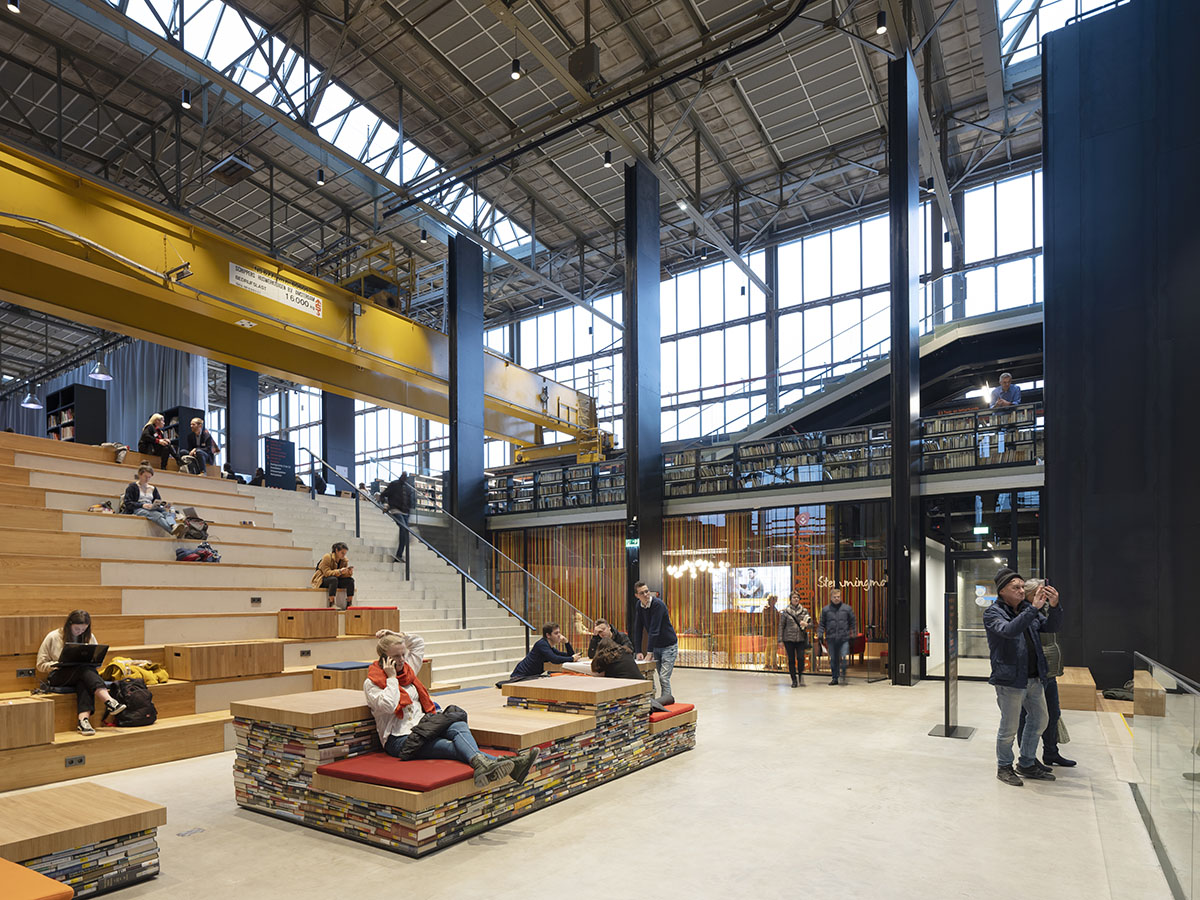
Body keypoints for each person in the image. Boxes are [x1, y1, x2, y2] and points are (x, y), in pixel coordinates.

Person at [366, 630, 538, 786]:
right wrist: (391, 678)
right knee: (450, 746)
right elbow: (389, 706)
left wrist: (397, 635)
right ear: (384, 659)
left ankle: (484, 764)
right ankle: (513, 765)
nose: (402, 659)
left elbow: (417, 642)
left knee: (457, 722)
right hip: (400, 740)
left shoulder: (408, 671)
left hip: (424, 726)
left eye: (403, 654)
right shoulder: (373, 683)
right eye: (396, 656)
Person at [985, 567, 1063, 787]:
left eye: (1022, 586)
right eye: (1015, 587)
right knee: (1009, 728)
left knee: (1040, 719)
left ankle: (1027, 763)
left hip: (1034, 677)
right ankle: (1004, 766)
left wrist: (1054, 606)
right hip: (1009, 680)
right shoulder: (993, 613)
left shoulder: (1028, 609)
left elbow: (1050, 627)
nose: (1021, 590)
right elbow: (1009, 630)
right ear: (1002, 592)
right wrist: (1033, 609)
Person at [36, 610, 126, 735]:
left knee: (84, 679)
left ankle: (83, 721)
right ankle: (109, 701)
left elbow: (95, 660)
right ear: (69, 625)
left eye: (83, 629)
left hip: (82, 674)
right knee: (84, 670)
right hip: (58, 675)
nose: (80, 632)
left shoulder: (89, 636)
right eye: (77, 629)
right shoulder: (53, 636)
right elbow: (40, 665)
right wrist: (57, 664)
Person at [1017, 578, 1075, 768]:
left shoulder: (1038, 612)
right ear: (1030, 594)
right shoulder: (1024, 611)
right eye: (1041, 592)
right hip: (1033, 674)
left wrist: (1055, 606)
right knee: (1029, 717)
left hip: (1047, 672)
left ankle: (1051, 752)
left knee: (1052, 713)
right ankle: (1028, 758)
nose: (1044, 596)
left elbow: (1053, 627)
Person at [632, 582, 679, 700]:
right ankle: (652, 702)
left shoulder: (658, 605)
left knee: (663, 677)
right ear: (637, 595)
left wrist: (649, 652)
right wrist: (638, 651)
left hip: (669, 645)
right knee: (654, 675)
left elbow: (654, 629)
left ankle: (666, 701)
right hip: (657, 646)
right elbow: (638, 628)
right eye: (642, 593)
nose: (646, 594)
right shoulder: (639, 606)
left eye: (647, 591)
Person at [122, 463, 185, 536]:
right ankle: (172, 531)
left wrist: (163, 506)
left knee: (166, 511)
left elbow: (158, 501)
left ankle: (174, 525)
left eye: (149, 477)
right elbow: (128, 503)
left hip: (151, 507)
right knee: (156, 514)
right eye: (145, 476)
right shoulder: (132, 487)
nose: (147, 479)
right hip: (138, 508)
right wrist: (142, 505)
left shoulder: (152, 488)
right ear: (140, 475)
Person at [508, 623, 580, 680]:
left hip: (530, 676)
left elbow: (569, 655)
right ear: (548, 635)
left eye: (559, 633)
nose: (559, 635)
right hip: (519, 677)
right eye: (556, 633)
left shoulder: (549, 647)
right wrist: (572, 658)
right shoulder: (542, 644)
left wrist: (566, 642)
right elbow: (554, 659)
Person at [818, 588, 857, 685]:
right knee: (834, 659)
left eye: (838, 597)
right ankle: (834, 678)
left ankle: (843, 671)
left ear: (840, 597)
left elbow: (853, 622)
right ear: (831, 598)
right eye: (834, 597)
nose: (836, 599)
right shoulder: (825, 610)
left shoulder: (847, 608)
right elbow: (822, 624)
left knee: (843, 656)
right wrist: (820, 634)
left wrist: (854, 633)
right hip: (831, 638)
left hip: (844, 637)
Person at [777, 591, 811, 688]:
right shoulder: (786, 612)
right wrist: (780, 640)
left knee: (801, 658)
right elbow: (781, 626)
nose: (796, 599)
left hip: (800, 639)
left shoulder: (804, 611)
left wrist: (807, 625)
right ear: (790, 600)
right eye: (794, 597)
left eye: (797, 597)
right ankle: (794, 680)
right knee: (791, 660)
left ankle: (800, 674)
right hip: (789, 639)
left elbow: (811, 625)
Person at [381, 473, 414, 562]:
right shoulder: (394, 484)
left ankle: (399, 554)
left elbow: (410, 502)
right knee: (403, 528)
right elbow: (383, 494)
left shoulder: (408, 488)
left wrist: (409, 514)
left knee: (404, 531)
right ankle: (399, 554)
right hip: (396, 509)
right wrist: (386, 505)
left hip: (405, 512)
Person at [312, 542, 355, 608]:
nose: (344, 555)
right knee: (333, 580)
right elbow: (326, 573)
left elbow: (341, 575)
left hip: (336, 579)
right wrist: (339, 571)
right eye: (342, 553)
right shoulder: (327, 557)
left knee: (350, 581)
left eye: (345, 553)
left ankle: (349, 603)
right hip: (322, 579)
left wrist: (348, 573)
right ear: (336, 551)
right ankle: (332, 603)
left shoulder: (344, 560)